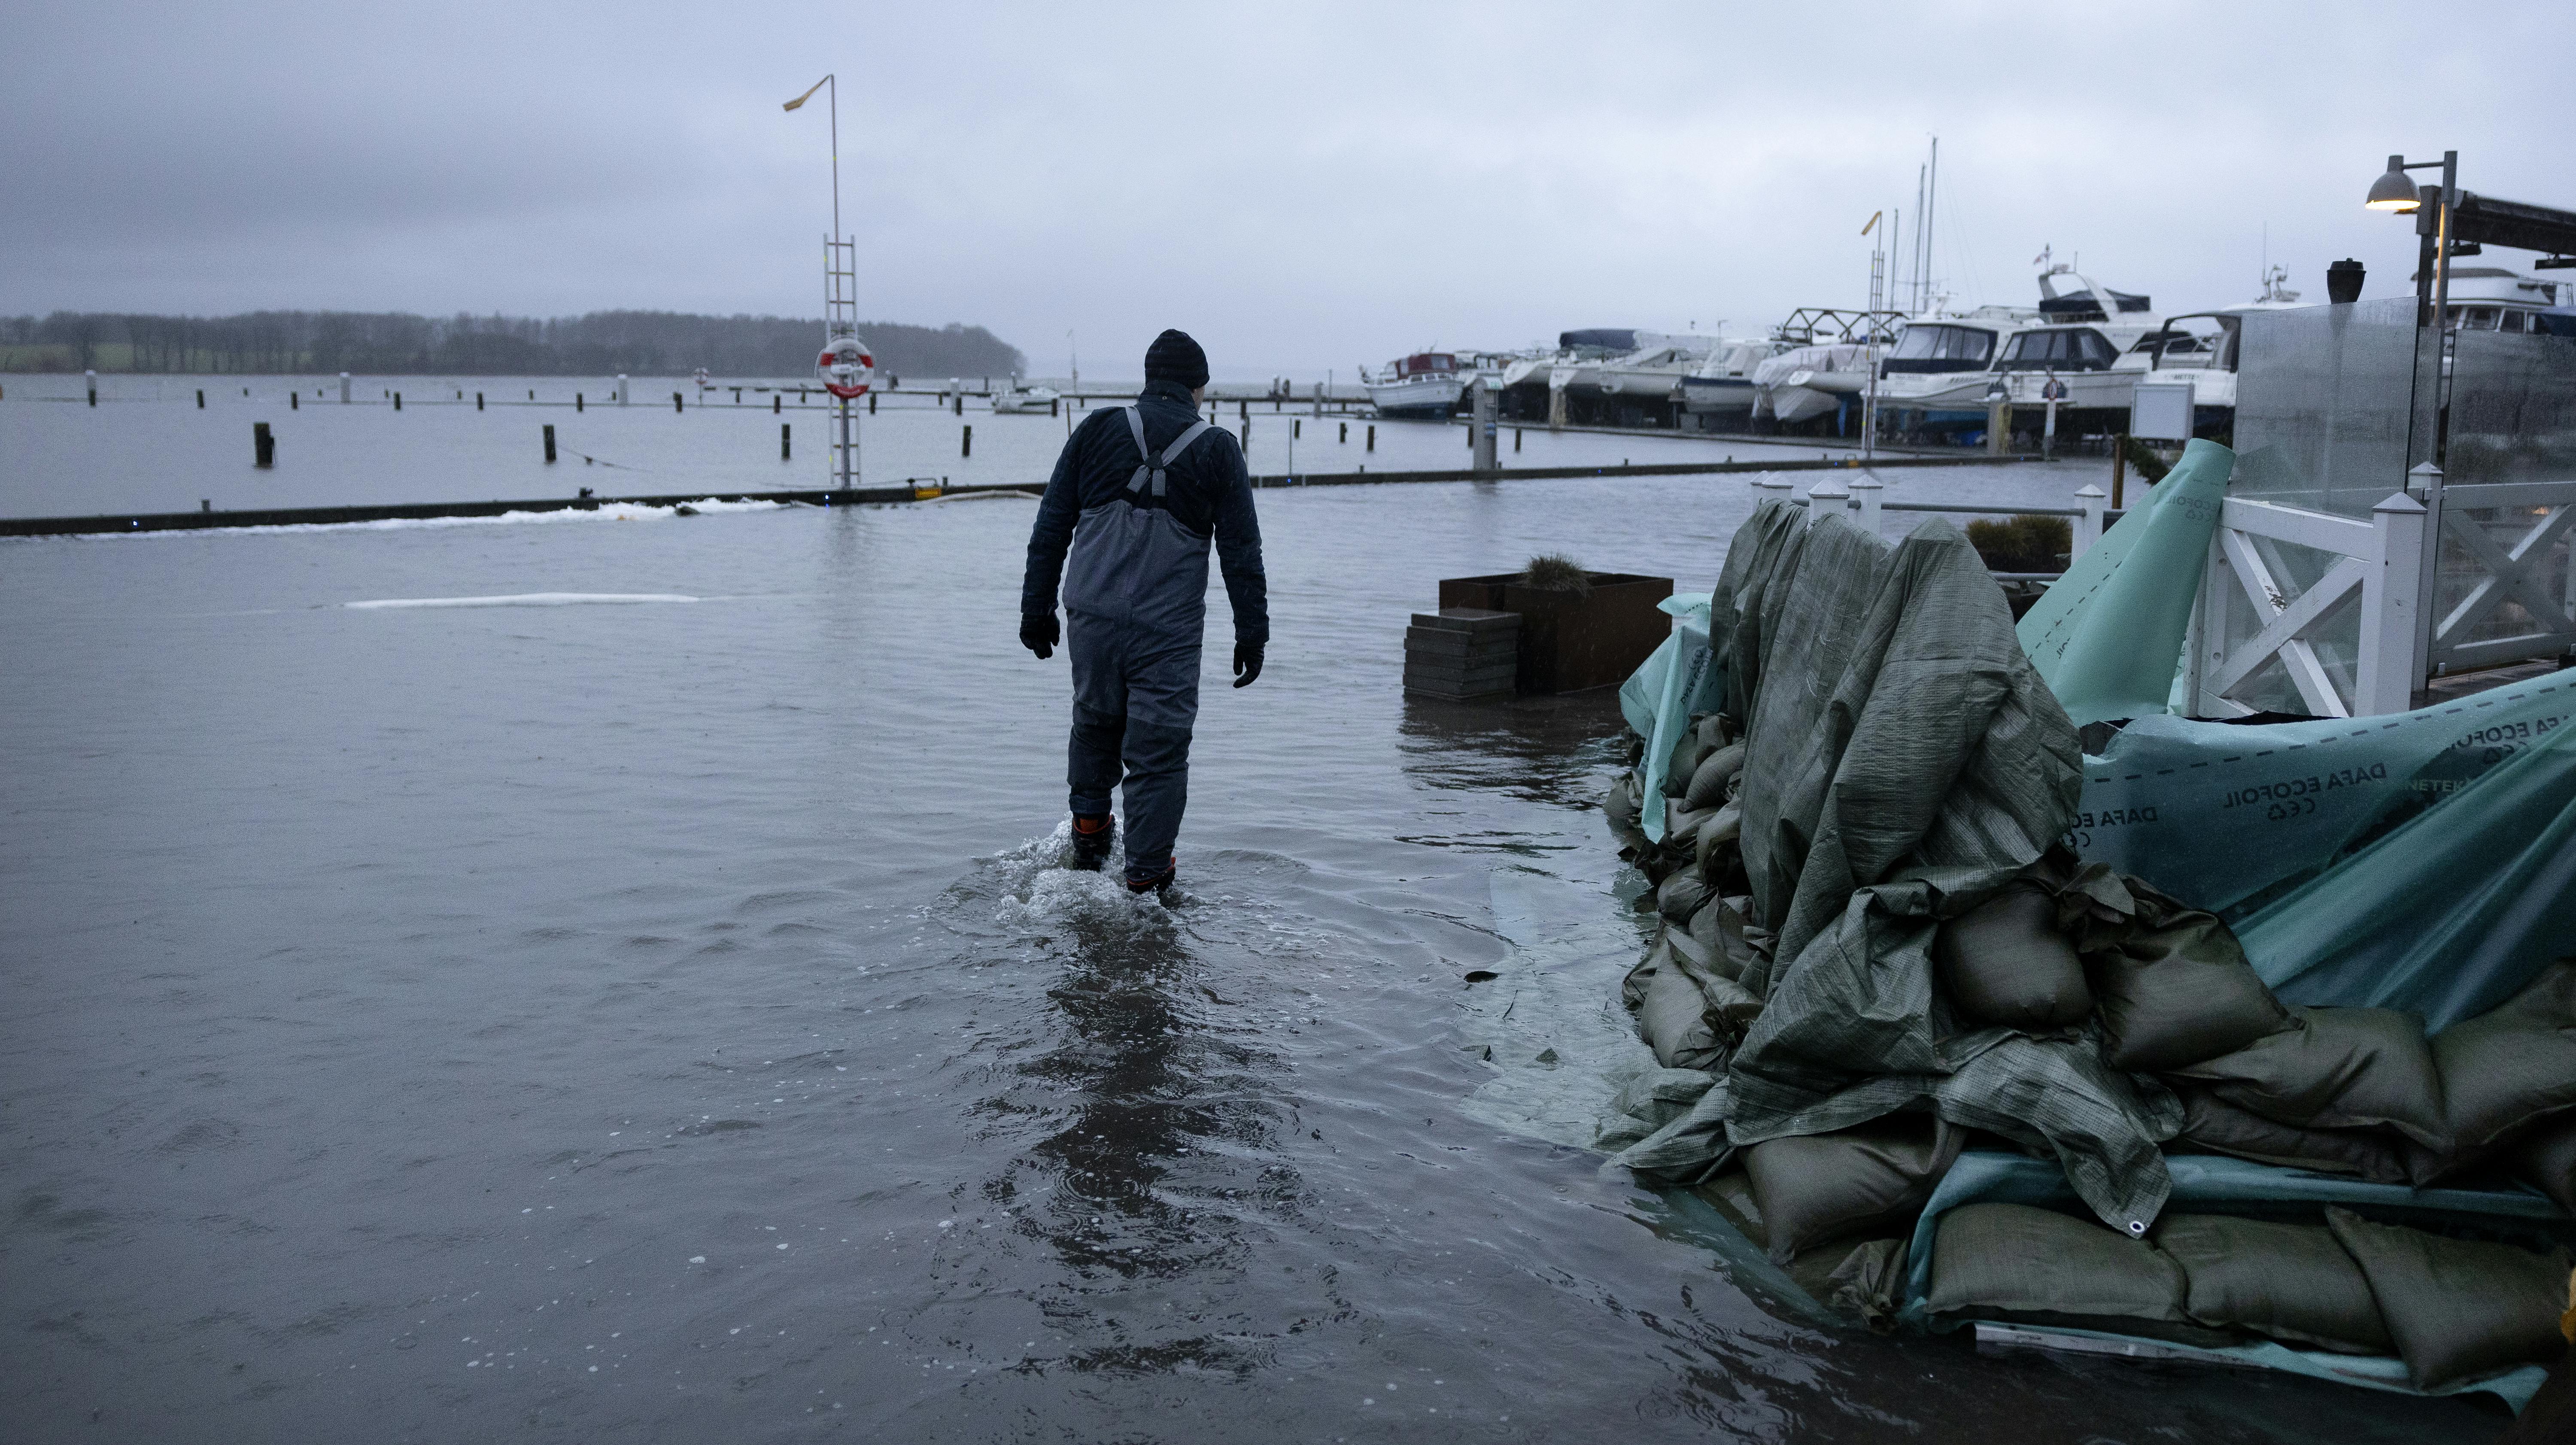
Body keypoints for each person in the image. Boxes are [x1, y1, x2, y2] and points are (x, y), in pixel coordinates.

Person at [1020, 329, 1268, 894]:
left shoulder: (1096, 430)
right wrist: (1252, 632)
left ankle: (1088, 830)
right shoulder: (1218, 449)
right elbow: (1241, 553)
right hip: (1167, 630)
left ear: (1150, 379)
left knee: (1095, 717)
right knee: (1158, 750)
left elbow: (1051, 525)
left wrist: (1036, 608)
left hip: (1091, 617)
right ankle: (1148, 883)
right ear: (1197, 386)